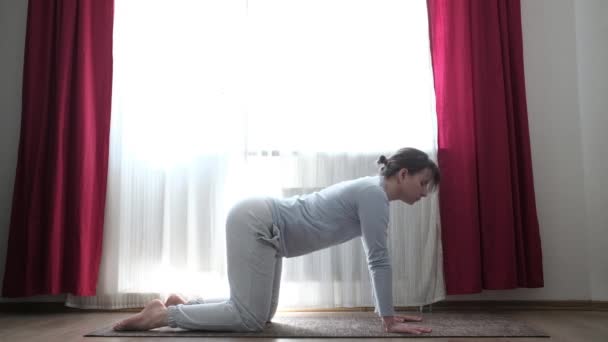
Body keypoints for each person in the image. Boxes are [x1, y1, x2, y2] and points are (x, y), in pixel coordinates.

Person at [113, 147, 440, 335]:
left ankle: (184, 304)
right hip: (258, 221)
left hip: (268, 229)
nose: (424, 193)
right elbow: (378, 258)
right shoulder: (374, 195)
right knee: (249, 318)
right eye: (423, 183)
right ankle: (164, 317)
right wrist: (389, 319)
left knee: (261, 315)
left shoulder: (372, 191)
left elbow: (377, 257)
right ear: (403, 175)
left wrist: (389, 313)